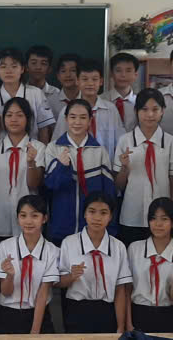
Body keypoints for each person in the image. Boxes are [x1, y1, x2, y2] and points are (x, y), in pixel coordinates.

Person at [114, 88, 173, 245]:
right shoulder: (125, 141)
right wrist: (124, 168)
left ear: (162, 111)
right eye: (144, 109)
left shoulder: (170, 142)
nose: (150, 114)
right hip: (132, 213)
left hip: (162, 215)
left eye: (155, 109)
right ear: (136, 111)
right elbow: (118, 185)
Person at [44, 99, 118, 244]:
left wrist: (111, 228)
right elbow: (51, 185)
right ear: (66, 119)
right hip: (61, 225)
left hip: (93, 229)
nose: (77, 122)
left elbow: (109, 193)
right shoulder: (53, 148)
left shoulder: (99, 151)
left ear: (90, 120)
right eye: (73, 117)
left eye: (83, 117)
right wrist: (62, 167)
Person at [57, 192, 131, 333]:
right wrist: (71, 276)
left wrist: (121, 326)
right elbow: (58, 282)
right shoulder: (69, 243)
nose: (97, 218)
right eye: (92, 211)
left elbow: (120, 289)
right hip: (77, 309)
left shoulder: (118, 247)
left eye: (103, 213)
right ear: (84, 214)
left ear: (110, 216)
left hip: (107, 310)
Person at [0, 97, 45, 243]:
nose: (14, 119)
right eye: (9, 115)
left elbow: (34, 184)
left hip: (28, 218)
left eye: (19, 115)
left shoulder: (38, 147)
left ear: (28, 119)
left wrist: (31, 162)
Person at [125, 198, 173, 333]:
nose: (158, 224)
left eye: (164, 219)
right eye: (153, 218)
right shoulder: (134, 249)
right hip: (138, 313)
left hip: (169, 316)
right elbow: (126, 290)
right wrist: (128, 323)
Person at [0, 195, 59, 334]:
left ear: (44, 218)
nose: (28, 221)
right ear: (17, 218)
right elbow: (5, 292)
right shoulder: (5, 246)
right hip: (9, 315)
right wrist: (10, 276)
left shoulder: (52, 250)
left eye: (34, 216)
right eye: (23, 215)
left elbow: (43, 293)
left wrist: (35, 331)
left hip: (39, 315)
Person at [52, 58, 122, 160]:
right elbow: (57, 142)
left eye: (94, 79)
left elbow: (120, 141)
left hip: (105, 163)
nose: (90, 83)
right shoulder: (67, 110)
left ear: (101, 81)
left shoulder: (111, 109)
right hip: (75, 164)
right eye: (85, 79)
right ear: (77, 81)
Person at [0, 48, 56, 143]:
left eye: (14, 66)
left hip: (33, 147)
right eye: (3, 67)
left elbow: (43, 129)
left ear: (22, 69)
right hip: (2, 149)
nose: (8, 71)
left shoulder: (36, 93)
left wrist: (42, 150)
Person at [106, 52, 141, 132]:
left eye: (128, 71)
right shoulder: (101, 100)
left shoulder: (140, 103)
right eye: (118, 70)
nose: (123, 75)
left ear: (135, 75)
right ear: (111, 74)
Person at [47, 53, 81, 118]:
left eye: (73, 70)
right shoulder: (51, 101)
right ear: (58, 76)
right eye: (63, 71)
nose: (68, 75)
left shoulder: (87, 98)